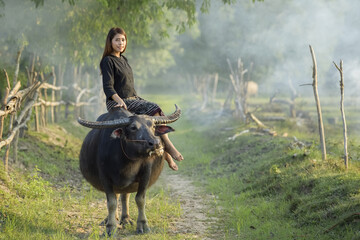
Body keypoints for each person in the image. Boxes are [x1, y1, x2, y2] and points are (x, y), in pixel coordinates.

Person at [100, 27, 183, 171]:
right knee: (154, 108)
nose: (121, 43)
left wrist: (137, 99)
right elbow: (108, 87)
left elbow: (128, 85)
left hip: (131, 98)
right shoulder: (108, 61)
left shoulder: (123, 59)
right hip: (117, 102)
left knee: (152, 119)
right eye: (117, 40)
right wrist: (119, 100)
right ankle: (169, 147)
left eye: (123, 40)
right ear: (110, 42)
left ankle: (166, 154)